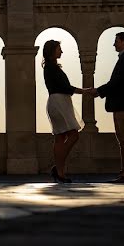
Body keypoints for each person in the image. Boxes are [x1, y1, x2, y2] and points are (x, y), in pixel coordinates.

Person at [91, 32, 124, 183]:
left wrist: (98, 91)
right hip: (123, 105)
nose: (114, 44)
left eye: (116, 41)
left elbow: (117, 82)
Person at [42, 40, 94, 183]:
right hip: (59, 102)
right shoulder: (51, 68)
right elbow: (65, 87)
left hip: (58, 102)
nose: (61, 51)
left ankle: (60, 171)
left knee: (60, 137)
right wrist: (84, 91)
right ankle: (58, 167)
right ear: (52, 51)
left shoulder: (50, 67)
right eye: (59, 49)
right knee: (73, 135)